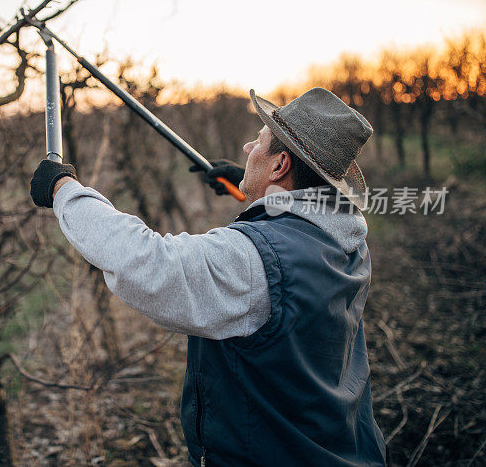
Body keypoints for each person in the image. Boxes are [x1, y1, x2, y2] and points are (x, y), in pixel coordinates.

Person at [30, 87, 386, 466]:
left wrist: (64, 191)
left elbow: (150, 265)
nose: (248, 147)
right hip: (345, 450)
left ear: (281, 165)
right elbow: (296, 233)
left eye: (260, 143)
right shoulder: (347, 238)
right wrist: (254, 186)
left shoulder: (251, 262)